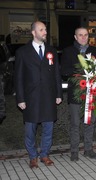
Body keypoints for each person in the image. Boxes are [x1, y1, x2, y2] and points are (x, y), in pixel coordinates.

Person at [15, 21, 62, 168]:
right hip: (31, 97)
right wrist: (21, 98)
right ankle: (32, 156)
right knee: (30, 129)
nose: (45, 32)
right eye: (41, 30)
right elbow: (19, 77)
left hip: (48, 96)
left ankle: (44, 155)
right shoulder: (22, 52)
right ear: (33, 33)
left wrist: (58, 94)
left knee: (48, 127)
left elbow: (56, 74)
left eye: (46, 30)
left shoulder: (51, 51)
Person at [60, 27, 96, 161]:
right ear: (75, 37)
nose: (83, 37)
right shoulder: (68, 51)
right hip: (76, 94)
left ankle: (88, 149)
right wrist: (81, 70)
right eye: (80, 35)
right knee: (75, 124)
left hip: (91, 94)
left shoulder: (94, 51)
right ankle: (74, 151)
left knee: (90, 122)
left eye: (85, 35)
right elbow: (64, 71)